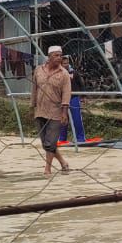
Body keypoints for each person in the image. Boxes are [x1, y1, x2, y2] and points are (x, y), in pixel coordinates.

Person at [31, 45, 72, 176]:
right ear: (49, 57)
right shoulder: (38, 70)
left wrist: (64, 113)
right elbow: (34, 89)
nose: (59, 58)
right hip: (40, 110)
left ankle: (47, 169)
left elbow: (66, 94)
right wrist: (32, 106)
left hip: (56, 112)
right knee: (46, 143)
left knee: (51, 142)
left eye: (60, 55)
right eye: (56, 55)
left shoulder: (64, 74)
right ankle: (63, 162)